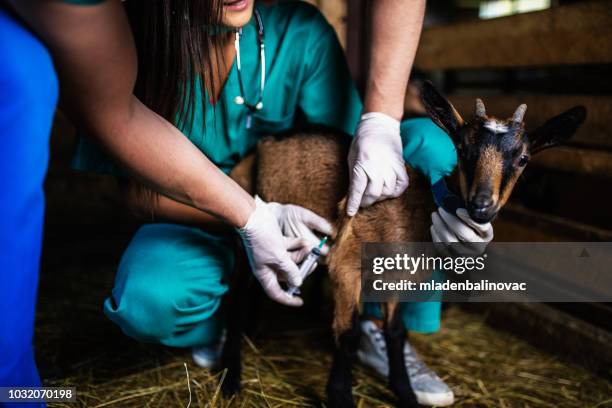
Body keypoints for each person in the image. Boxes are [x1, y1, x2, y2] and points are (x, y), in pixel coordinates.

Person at [1, 1, 491, 407]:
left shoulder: (299, 32)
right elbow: (136, 192)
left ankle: (373, 322)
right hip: (207, 222)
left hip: (310, 220)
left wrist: (438, 207)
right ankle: (221, 320)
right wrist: (252, 218)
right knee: (147, 296)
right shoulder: (138, 47)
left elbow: (349, 162)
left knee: (430, 145)